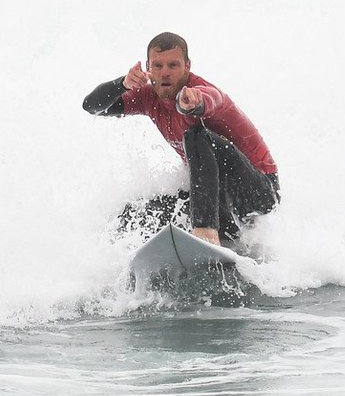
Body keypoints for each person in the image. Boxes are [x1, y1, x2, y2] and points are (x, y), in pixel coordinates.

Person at [82, 32, 280, 246]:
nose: (165, 72)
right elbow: (91, 106)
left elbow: (211, 99)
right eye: (158, 66)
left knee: (196, 136)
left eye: (173, 65)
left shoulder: (202, 92)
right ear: (148, 68)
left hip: (258, 195)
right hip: (217, 202)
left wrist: (195, 104)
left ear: (187, 66)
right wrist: (122, 84)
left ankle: (205, 236)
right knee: (135, 213)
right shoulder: (148, 97)